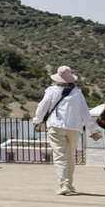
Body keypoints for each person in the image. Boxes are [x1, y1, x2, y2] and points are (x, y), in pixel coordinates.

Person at [34, 65, 90, 195]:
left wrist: (37, 121)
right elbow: (85, 112)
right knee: (70, 155)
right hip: (74, 127)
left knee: (60, 155)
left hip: (56, 126)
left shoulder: (51, 90)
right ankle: (69, 183)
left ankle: (64, 184)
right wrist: (92, 128)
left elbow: (42, 106)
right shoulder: (78, 92)